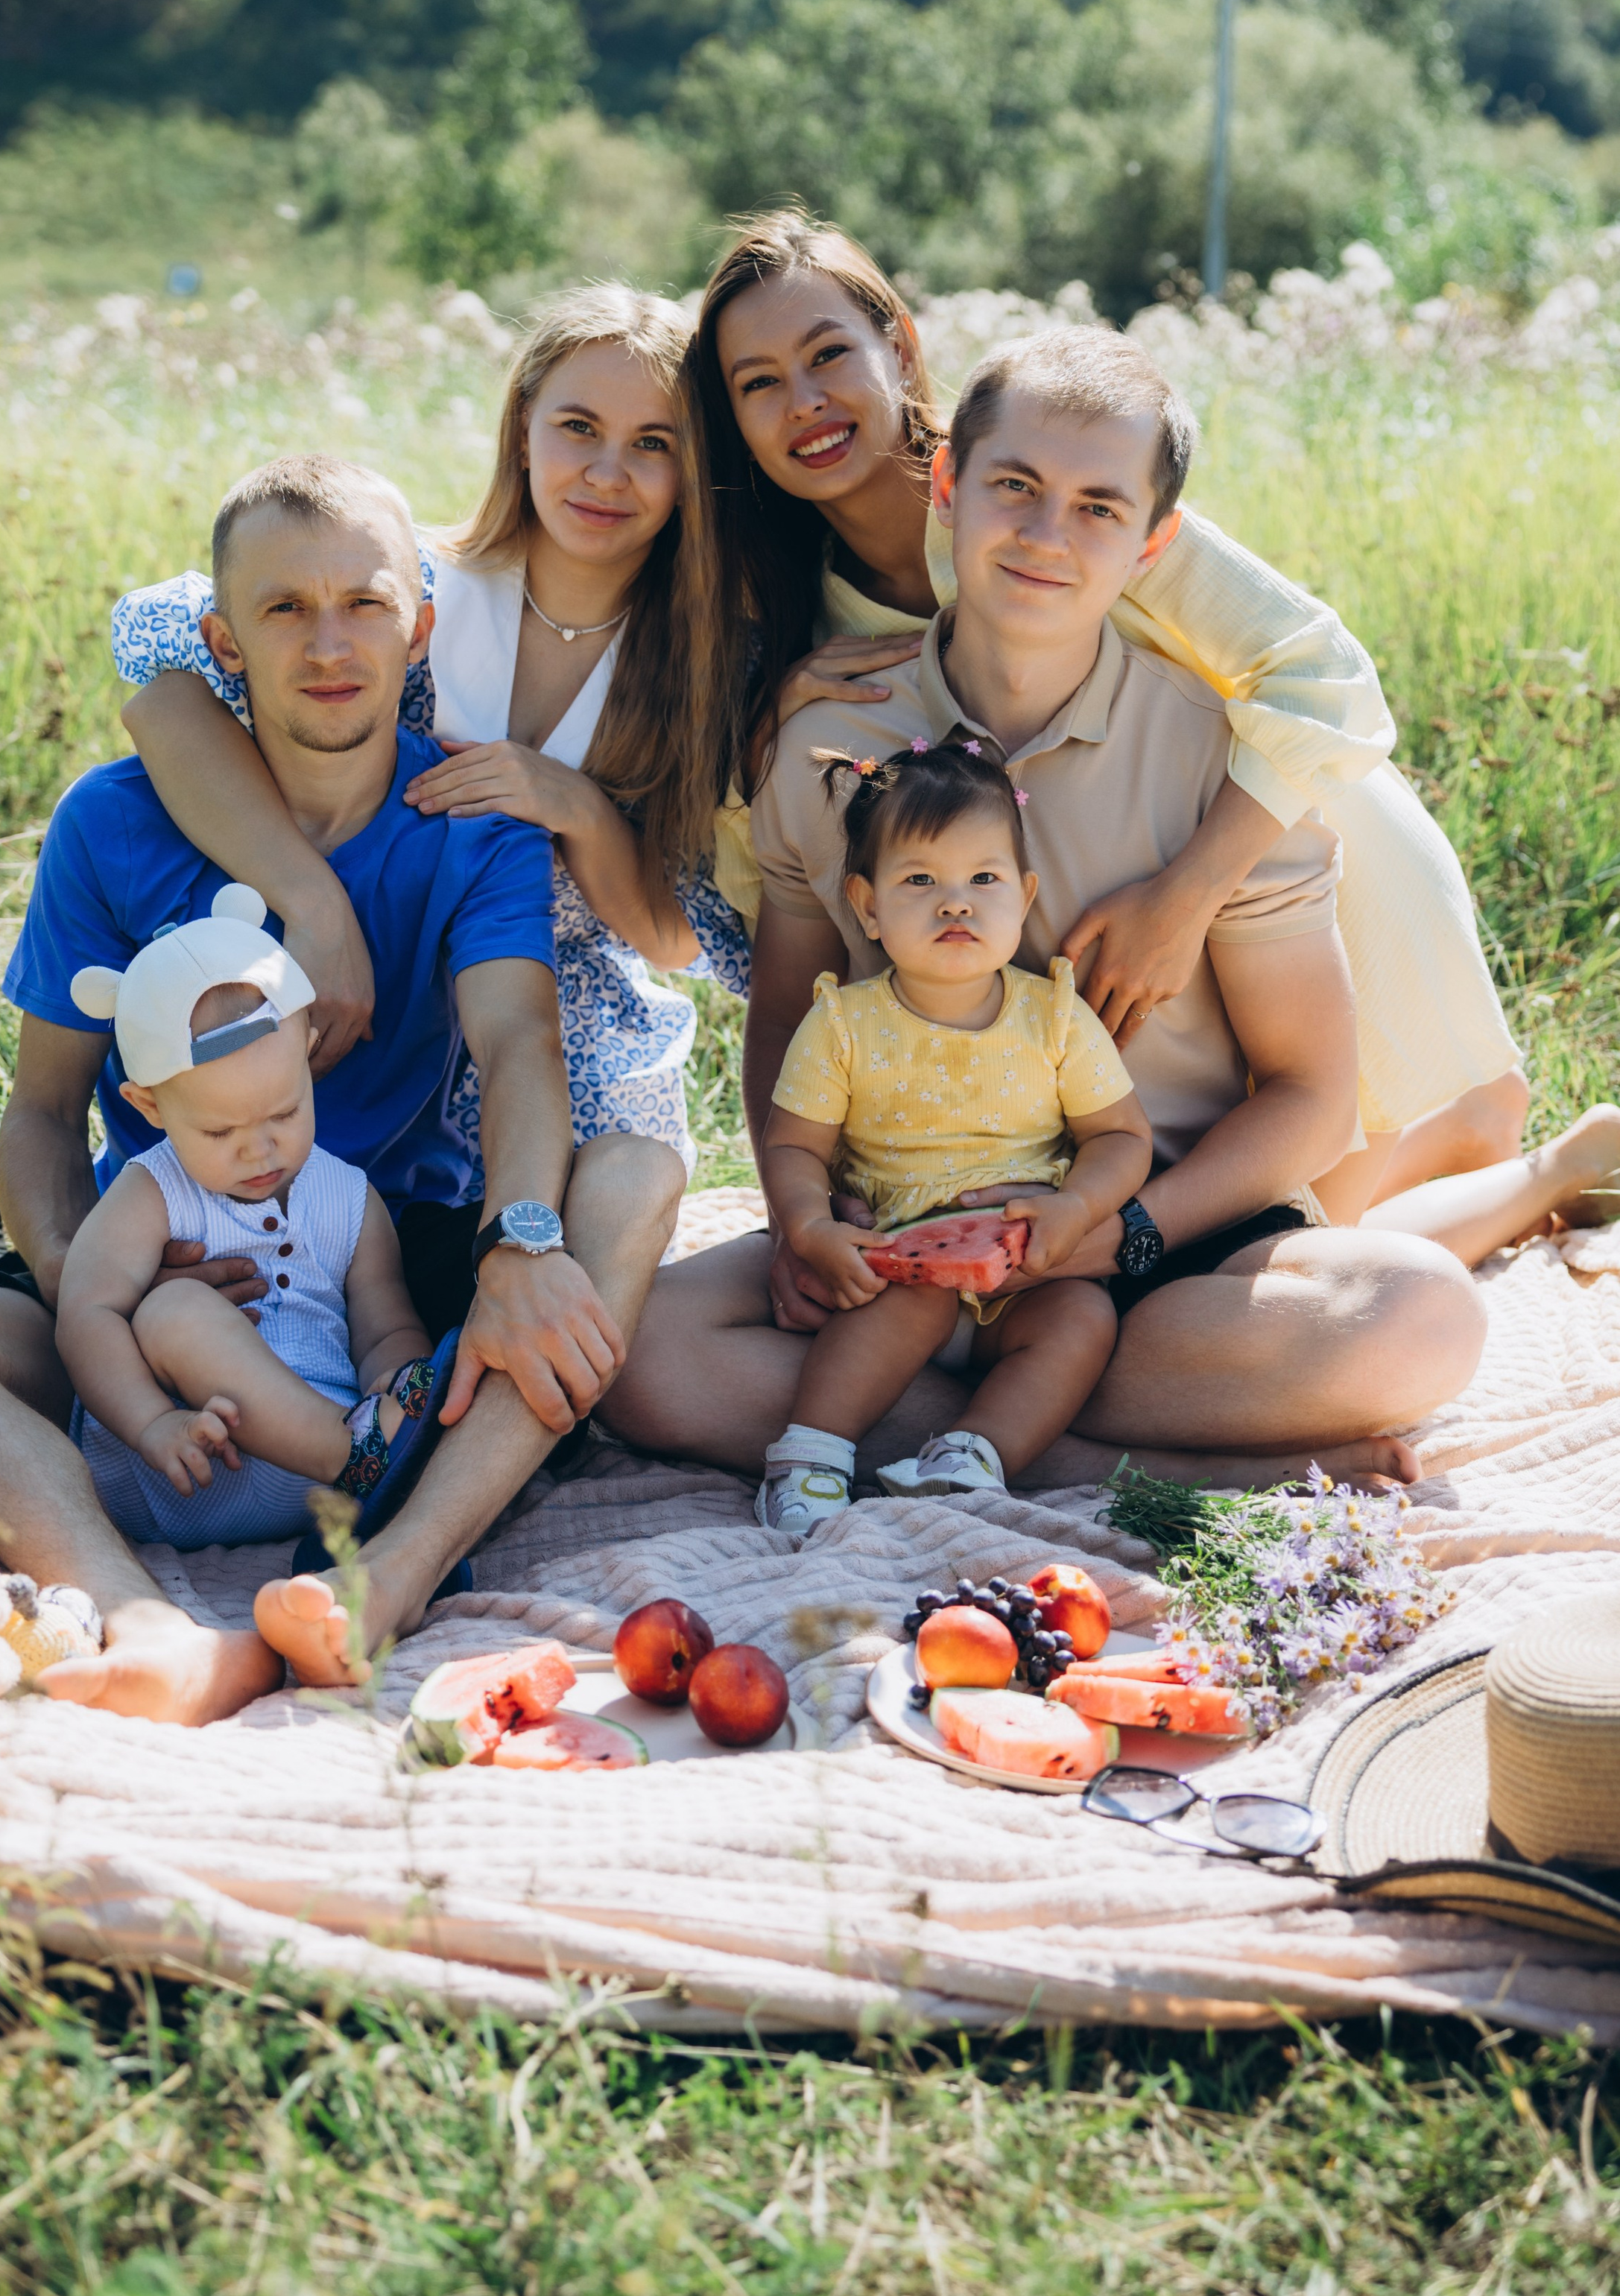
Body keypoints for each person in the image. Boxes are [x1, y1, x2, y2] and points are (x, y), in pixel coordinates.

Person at [0, 454, 683, 1718]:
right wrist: (95, 1295)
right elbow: (39, 1110)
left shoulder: (471, 818)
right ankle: (139, 1617)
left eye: (365, 604)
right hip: (169, 1261)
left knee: (635, 1172)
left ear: (423, 628)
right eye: (286, 610)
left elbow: (518, 1041)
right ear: (223, 642)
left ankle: (387, 1579)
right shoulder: (113, 822)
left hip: (393, 1280)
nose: (330, 643)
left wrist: (521, 1239)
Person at [603, 323, 1491, 1490]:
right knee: (643, 1358)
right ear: (949, 486)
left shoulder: (1219, 766)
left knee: (1421, 1316)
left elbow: (1313, 1098)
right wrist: (803, 1220)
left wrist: (1110, 1231)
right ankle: (1095, 1454)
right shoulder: (826, 744)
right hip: (902, 1240)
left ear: (1150, 542)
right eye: (1014, 488)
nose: (1044, 536)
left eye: (1096, 509)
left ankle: (986, 1428)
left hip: (1156, 1244)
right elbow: (785, 1016)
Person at [694, 210, 1534, 1227]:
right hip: (1064, 886)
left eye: (829, 354)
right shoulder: (788, 594)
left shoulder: (1049, 482)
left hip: (1261, 809)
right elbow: (774, 839)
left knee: (1324, 1184)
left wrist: (1188, 894)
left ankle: (1519, 1162)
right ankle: (1528, 1171)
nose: (805, 402)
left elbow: (1325, 675)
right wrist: (767, 713)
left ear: (900, 347)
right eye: (759, 382)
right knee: (1254, 1226)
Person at [109, 283, 749, 1177]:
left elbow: (672, 939)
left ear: (695, 469)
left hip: (551, 999)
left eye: (654, 444)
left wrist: (579, 807)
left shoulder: (701, 667)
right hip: (365, 956)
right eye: (577, 427)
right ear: (522, 426)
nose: (608, 472)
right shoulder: (405, 588)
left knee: (626, 1173)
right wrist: (315, 905)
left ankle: (536, 1302)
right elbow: (159, 694)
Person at [755, 737, 1152, 1531]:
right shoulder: (842, 1023)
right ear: (866, 905)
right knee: (904, 1306)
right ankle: (808, 1458)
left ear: (1024, 893)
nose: (955, 903)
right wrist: (808, 1227)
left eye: (983, 878)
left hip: (1030, 1268)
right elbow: (794, 1146)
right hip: (902, 1262)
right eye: (919, 881)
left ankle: (970, 1457)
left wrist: (1075, 1209)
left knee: (1083, 1322)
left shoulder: (1055, 1016)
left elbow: (1121, 1137)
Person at [57, 894, 440, 1542]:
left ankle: (372, 1452)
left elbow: (385, 1327)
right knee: (171, 1311)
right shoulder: (152, 1193)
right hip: (191, 1459)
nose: (259, 1150)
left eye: (284, 1114)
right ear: (148, 1106)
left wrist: (400, 1380)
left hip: (320, 1467)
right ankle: (368, 1463)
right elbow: (85, 1317)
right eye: (219, 1130)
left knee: (422, 1374)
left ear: (309, 1051)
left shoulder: (349, 1198)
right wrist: (152, 1421)